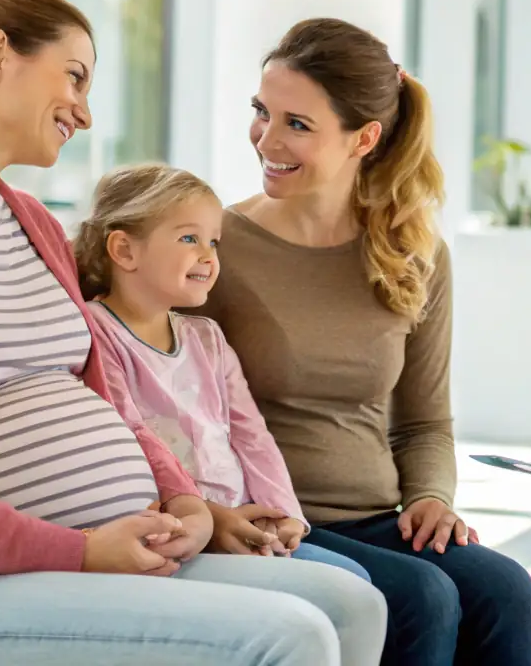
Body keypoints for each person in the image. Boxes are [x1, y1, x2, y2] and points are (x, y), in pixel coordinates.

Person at [0, 0, 386, 666]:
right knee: (290, 636)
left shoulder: (30, 221)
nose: (86, 112)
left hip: (83, 561)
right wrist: (78, 550)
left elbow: (105, 403)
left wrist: (182, 502)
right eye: (74, 77)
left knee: (351, 601)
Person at [201, 17, 531, 665]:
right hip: (271, 518)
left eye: (296, 124)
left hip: (376, 518)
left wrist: (432, 497)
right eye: (260, 112)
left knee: (507, 590)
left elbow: (423, 422)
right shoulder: (217, 244)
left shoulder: (414, 252)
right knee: (422, 595)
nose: (265, 139)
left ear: (364, 138)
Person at [73, 163, 381, 597]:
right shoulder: (96, 333)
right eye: (188, 238)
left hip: (246, 524)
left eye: (213, 241)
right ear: (124, 250)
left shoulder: (207, 338)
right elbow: (129, 436)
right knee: (345, 588)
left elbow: (251, 436)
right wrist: (211, 519)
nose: (208, 255)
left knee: (356, 581)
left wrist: (284, 514)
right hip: (173, 534)